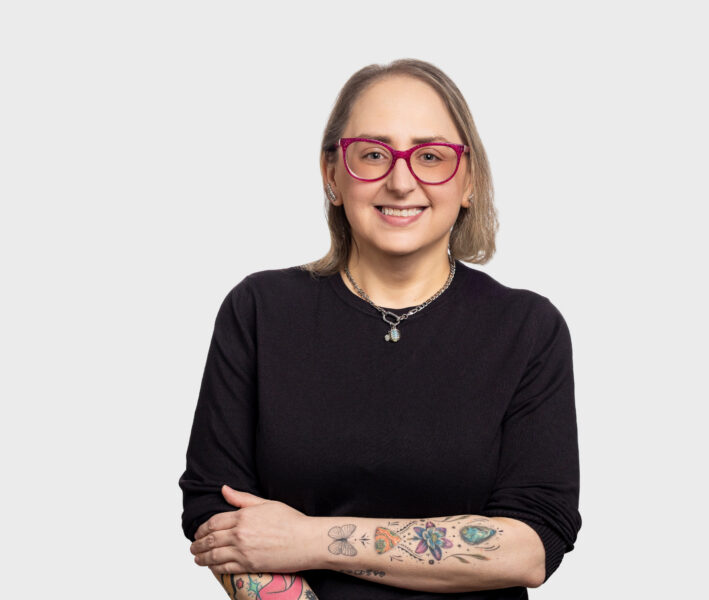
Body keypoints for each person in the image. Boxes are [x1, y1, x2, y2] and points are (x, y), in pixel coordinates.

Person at [179, 58, 581, 600]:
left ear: (469, 181)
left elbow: (531, 544)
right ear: (332, 175)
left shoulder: (528, 328)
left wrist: (311, 540)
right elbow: (216, 516)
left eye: (430, 156)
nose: (400, 181)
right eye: (372, 154)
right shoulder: (258, 309)